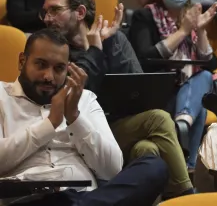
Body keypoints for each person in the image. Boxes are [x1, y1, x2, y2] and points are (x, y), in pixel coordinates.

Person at [42, 0, 194, 198]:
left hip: (122, 125)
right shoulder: (54, 50)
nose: (47, 18)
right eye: (45, 12)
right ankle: (189, 198)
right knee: (158, 120)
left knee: (145, 150)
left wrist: (108, 44)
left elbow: (139, 85)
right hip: (83, 132)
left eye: (55, 10)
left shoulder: (115, 40)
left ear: (80, 12)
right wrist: (95, 50)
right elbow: (78, 89)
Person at [0, 28, 168, 205]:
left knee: (154, 167)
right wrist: (50, 124)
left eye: (58, 68)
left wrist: (74, 118)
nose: (48, 76)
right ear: (22, 62)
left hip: (84, 197)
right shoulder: (2, 96)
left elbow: (112, 170)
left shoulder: (85, 99)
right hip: (29, 200)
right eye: (41, 65)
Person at [129, 0, 217, 170]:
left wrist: (201, 30)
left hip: (188, 91)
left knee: (204, 77)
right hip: (160, 92)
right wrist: (183, 31)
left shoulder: (190, 15)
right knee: (201, 112)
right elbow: (146, 58)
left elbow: (211, 64)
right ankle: (189, 169)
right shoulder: (145, 16)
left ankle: (183, 125)